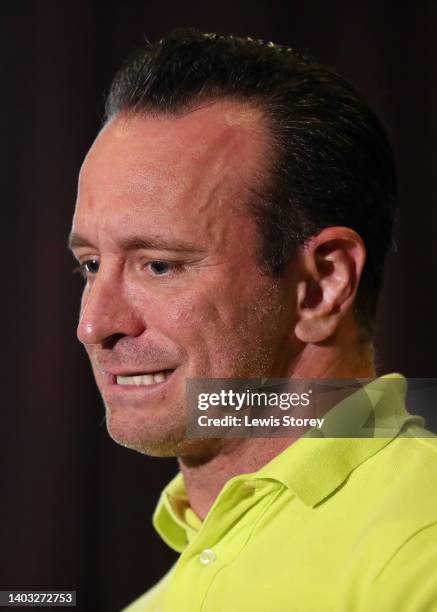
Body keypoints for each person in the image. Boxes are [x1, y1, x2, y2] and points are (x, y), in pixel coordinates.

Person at [68, 28, 437, 611]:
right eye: (89, 264)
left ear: (322, 285)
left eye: (159, 265)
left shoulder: (423, 545)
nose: (96, 325)